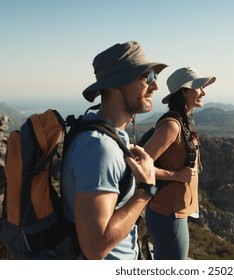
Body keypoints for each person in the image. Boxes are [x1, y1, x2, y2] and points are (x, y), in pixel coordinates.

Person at [61, 41, 167, 260]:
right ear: (116, 87)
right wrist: (145, 191)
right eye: (146, 77)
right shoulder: (99, 148)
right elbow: (95, 247)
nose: (155, 85)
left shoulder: (109, 133)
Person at [143, 67, 216, 259]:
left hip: (174, 212)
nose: (203, 92)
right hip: (167, 213)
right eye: (199, 87)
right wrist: (176, 176)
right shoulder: (172, 126)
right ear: (184, 92)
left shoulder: (185, 121)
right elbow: (141, 166)